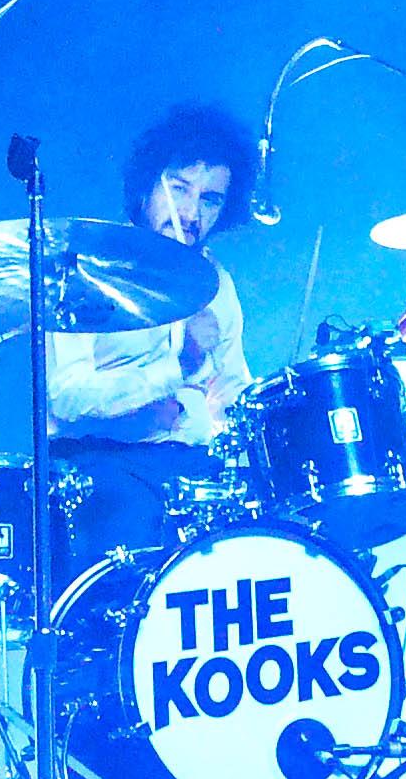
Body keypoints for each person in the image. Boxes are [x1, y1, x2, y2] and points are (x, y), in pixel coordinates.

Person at [42, 102, 260, 552]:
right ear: (146, 190)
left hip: (194, 474)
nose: (190, 213)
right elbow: (66, 396)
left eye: (210, 199)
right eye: (179, 189)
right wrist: (176, 369)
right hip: (103, 469)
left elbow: (232, 394)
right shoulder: (87, 272)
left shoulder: (218, 285)